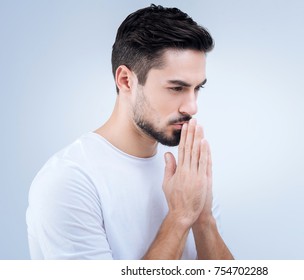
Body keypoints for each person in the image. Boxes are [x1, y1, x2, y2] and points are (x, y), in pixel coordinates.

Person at [26, 4, 233, 260]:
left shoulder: (187, 175)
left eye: (197, 88)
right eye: (176, 88)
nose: (192, 106)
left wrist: (203, 219)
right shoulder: (70, 181)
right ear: (126, 80)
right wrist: (179, 217)